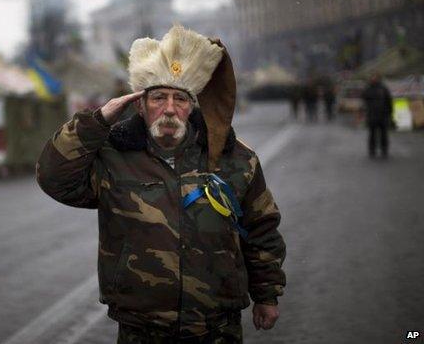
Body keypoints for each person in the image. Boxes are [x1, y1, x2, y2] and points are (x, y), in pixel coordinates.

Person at [37, 25, 286, 343]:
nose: (170, 109)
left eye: (180, 98)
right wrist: (96, 122)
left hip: (216, 325)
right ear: (139, 105)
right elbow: (53, 178)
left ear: (192, 106)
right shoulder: (114, 157)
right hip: (141, 327)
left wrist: (267, 294)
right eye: (158, 98)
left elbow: (261, 228)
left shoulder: (235, 158)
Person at [361, 74, 393, 159]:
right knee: (372, 134)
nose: (373, 79)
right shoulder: (368, 89)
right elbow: (363, 98)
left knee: (384, 134)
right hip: (372, 115)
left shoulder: (383, 89)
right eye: (372, 78)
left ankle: (384, 150)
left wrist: (390, 113)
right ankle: (372, 150)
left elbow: (389, 101)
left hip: (383, 115)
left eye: (375, 78)